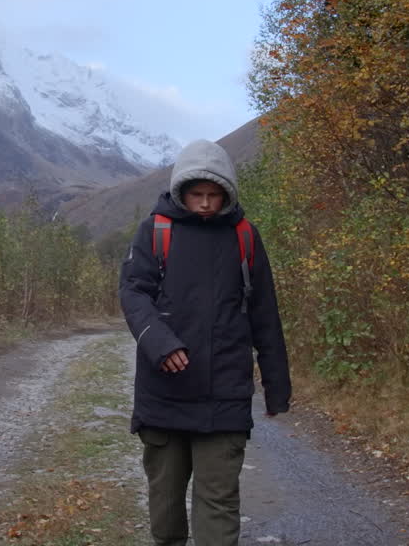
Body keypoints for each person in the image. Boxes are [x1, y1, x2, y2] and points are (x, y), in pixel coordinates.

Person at [119, 139, 291, 546]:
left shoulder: (245, 236)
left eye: (214, 194)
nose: (205, 203)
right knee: (165, 506)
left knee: (219, 502)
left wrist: (277, 386)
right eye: (197, 194)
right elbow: (134, 293)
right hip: (164, 393)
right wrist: (162, 345)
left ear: (227, 192)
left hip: (225, 394)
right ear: (182, 189)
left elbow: (265, 314)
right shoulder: (155, 231)